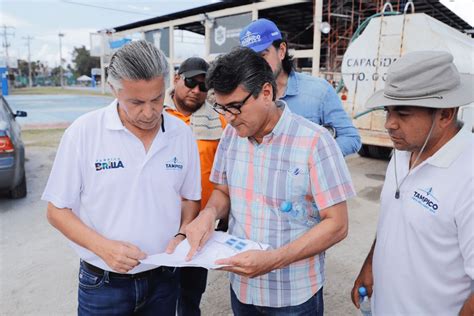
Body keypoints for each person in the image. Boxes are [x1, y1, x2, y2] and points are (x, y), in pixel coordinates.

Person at [183, 47, 356, 316]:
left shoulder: (315, 142)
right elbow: (223, 191)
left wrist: (274, 260)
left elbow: (337, 224)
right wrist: (208, 214)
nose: (228, 117)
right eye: (221, 107)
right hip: (242, 288)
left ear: (266, 92)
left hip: (293, 295)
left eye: (235, 107)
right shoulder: (232, 135)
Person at [42, 40, 201, 316]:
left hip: (164, 278)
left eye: (156, 99)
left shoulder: (181, 134)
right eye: (136, 102)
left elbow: (190, 198)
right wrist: (103, 247)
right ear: (114, 90)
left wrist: (182, 232)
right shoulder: (84, 133)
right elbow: (56, 210)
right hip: (103, 284)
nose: (150, 112)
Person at [351, 51, 474, 315]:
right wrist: (370, 265)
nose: (389, 124)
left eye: (403, 114)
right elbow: (393, 219)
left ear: (445, 114)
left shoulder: (468, 176)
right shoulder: (403, 151)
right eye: (388, 110)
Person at [239, 18, 361, 156]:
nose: (257, 65)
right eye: (251, 59)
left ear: (282, 51)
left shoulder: (318, 91)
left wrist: (313, 159)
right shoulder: (245, 96)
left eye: (263, 55)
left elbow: (351, 138)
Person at [163, 57, 226, 316]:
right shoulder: (155, 114)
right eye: (191, 82)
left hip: (198, 226)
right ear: (177, 78)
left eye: (203, 87)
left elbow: (225, 175)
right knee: (159, 291)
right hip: (160, 221)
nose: (196, 91)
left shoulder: (220, 123)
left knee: (190, 294)